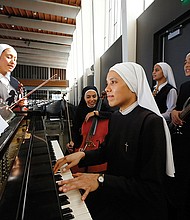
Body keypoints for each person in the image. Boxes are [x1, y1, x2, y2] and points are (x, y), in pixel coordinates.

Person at [53, 62, 175, 220]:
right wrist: (82, 156)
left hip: (138, 208)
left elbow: (150, 188)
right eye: (107, 83)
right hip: (116, 194)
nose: (107, 89)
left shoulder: (151, 122)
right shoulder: (116, 116)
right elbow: (108, 151)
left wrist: (100, 179)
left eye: (113, 82)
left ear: (132, 84)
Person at [168, 52, 190, 220]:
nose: (186, 65)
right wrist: (175, 113)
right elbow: (176, 108)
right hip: (181, 142)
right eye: (185, 62)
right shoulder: (184, 86)